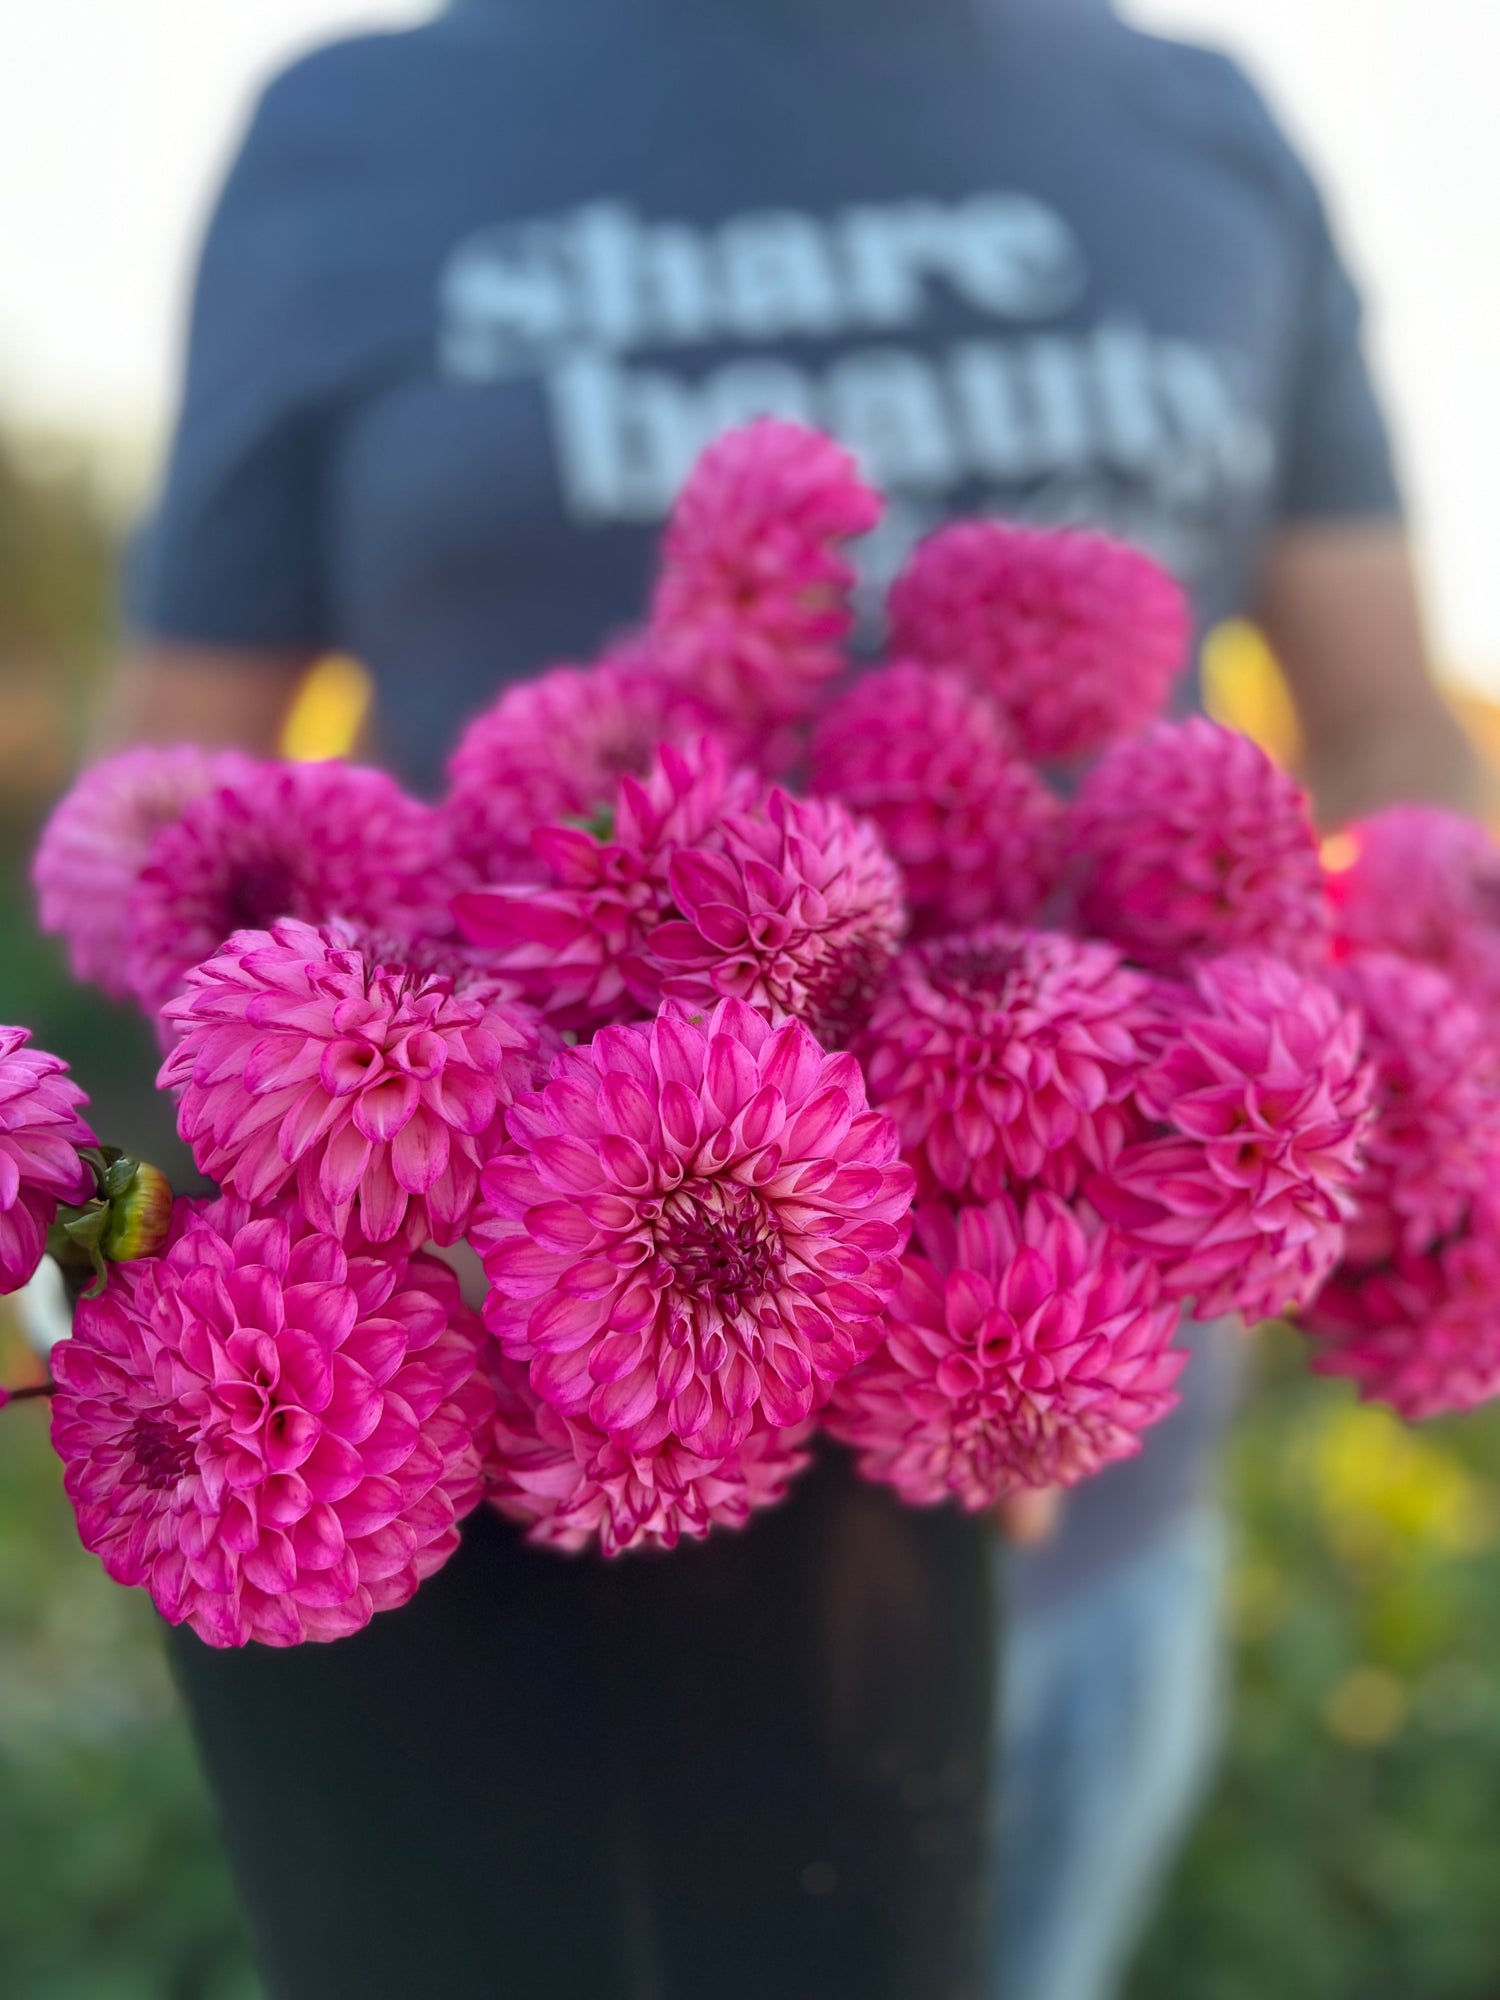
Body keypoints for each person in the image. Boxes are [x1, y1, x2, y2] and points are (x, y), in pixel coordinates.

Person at [108, 1, 1482, 1996]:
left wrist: (1409, 1018)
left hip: (1088, 1512)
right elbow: (168, 792)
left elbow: (1379, 726)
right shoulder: (349, 136)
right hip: (511, 1530)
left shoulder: (1206, 126)